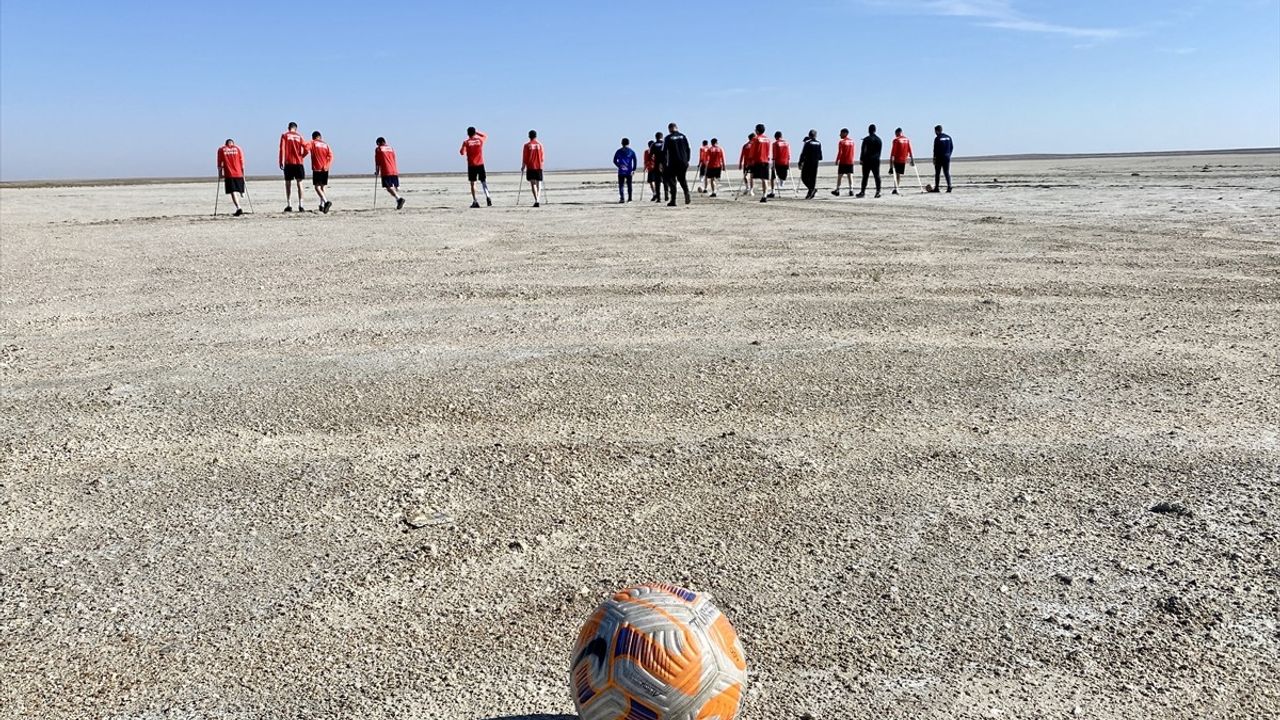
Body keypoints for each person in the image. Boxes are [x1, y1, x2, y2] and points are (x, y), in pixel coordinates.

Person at [279, 121, 308, 212]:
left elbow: (282, 148)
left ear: (288, 128)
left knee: (288, 184)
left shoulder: (285, 135)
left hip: (289, 162)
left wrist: (281, 161)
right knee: (300, 183)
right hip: (299, 162)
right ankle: (301, 205)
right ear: (296, 128)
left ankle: (289, 204)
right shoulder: (299, 136)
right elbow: (307, 148)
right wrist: (302, 156)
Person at [460, 127, 491, 208]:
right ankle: (488, 196)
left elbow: (462, 152)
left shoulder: (466, 142)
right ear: (474, 133)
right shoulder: (480, 140)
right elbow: (485, 136)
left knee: (473, 183)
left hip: (471, 165)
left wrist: (465, 148)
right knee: (483, 181)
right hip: (480, 164)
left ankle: (475, 201)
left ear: (467, 133)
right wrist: (476, 133)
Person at [662, 122, 692, 206]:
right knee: (682, 179)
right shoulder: (683, 136)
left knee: (672, 181)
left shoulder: (668, 138)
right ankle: (686, 193)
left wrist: (663, 163)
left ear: (669, 129)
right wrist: (687, 160)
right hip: (683, 162)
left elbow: (664, 151)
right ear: (676, 128)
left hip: (673, 162)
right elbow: (688, 149)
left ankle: (673, 200)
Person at [374, 137, 406, 210]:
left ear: (379, 143)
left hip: (386, 170)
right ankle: (398, 198)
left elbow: (377, 161)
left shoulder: (379, 149)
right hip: (394, 169)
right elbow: (394, 158)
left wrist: (377, 171)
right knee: (395, 186)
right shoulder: (391, 148)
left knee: (388, 187)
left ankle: (399, 199)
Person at [216, 139, 246, 216]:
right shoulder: (238, 148)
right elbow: (242, 161)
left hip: (229, 174)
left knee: (233, 192)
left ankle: (239, 207)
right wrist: (243, 173)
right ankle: (242, 192)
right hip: (238, 173)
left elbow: (219, 163)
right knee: (238, 188)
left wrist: (220, 174)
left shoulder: (222, 149)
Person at [308, 131, 333, 213]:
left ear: (313, 137)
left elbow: (306, 148)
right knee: (323, 187)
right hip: (325, 168)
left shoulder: (313, 143)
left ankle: (326, 202)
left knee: (317, 187)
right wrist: (327, 165)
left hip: (317, 168)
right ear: (320, 137)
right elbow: (331, 156)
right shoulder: (326, 145)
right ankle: (321, 205)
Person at [857, 124, 882, 198]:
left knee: (865, 177)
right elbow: (879, 151)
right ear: (875, 130)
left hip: (867, 160)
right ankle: (878, 191)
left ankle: (862, 192)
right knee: (877, 176)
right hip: (876, 160)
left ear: (869, 130)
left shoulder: (866, 139)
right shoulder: (879, 140)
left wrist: (861, 159)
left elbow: (863, 150)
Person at [522, 129, 545, 207]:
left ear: (529, 136)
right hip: (539, 166)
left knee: (533, 184)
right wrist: (542, 164)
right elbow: (542, 157)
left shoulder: (526, 145)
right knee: (539, 183)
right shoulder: (540, 145)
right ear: (536, 136)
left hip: (531, 166)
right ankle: (538, 199)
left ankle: (536, 200)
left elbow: (525, 157)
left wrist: (523, 166)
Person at [797, 129, 822, 200]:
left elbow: (803, 153)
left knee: (804, 177)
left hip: (808, 162)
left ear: (809, 135)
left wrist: (800, 162)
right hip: (815, 163)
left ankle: (811, 189)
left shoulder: (807, 143)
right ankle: (811, 190)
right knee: (813, 178)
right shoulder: (819, 143)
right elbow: (820, 155)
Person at [750, 123, 771, 203]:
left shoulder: (756, 139)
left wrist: (750, 160)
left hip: (758, 161)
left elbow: (752, 151)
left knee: (756, 177)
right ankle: (765, 195)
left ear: (757, 130)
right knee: (764, 179)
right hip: (765, 160)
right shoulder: (768, 139)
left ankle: (762, 194)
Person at [889, 128, 914, 195]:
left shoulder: (896, 140)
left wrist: (891, 161)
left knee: (896, 174)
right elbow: (910, 150)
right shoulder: (907, 139)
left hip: (897, 159)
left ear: (897, 133)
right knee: (898, 174)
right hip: (903, 159)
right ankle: (896, 187)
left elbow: (893, 151)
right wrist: (912, 159)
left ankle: (896, 188)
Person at [832, 128, 855, 197]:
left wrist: (837, 160)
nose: (840, 135)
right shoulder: (852, 141)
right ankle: (851, 189)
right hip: (850, 160)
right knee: (850, 175)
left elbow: (840, 152)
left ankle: (837, 190)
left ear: (845, 133)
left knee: (840, 176)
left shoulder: (841, 142)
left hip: (843, 161)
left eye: (841, 133)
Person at [613, 138, 637, 203]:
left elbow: (614, 160)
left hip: (621, 171)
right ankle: (630, 198)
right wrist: (634, 169)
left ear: (621, 143)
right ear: (628, 143)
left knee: (621, 185)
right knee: (629, 185)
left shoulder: (618, 151)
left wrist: (619, 166)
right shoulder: (631, 151)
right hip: (629, 171)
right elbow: (635, 161)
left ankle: (622, 198)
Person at [932, 125, 954, 193]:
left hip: (939, 157)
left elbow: (935, 149)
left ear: (937, 131)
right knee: (946, 172)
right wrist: (949, 154)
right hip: (947, 157)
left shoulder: (937, 138)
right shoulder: (949, 137)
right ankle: (949, 186)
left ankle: (937, 187)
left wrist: (934, 158)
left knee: (937, 173)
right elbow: (952, 147)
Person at [770, 131, 791, 197]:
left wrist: (773, 164)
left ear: (776, 137)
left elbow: (774, 154)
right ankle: (782, 181)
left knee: (773, 177)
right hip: (785, 162)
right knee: (783, 175)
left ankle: (773, 191)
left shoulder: (775, 144)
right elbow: (789, 153)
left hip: (778, 162)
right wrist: (788, 162)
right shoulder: (787, 143)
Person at [651, 131, 668, 202]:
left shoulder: (653, 144)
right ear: (662, 137)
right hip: (665, 164)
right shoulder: (665, 144)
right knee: (665, 181)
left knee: (657, 182)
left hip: (657, 164)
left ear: (656, 137)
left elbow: (651, 154)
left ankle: (658, 198)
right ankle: (666, 196)